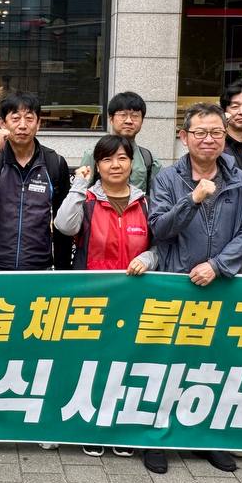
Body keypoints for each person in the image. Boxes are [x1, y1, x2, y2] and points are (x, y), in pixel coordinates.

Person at [148, 101, 242, 474]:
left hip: (218, 285)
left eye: (216, 133)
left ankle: (206, 438)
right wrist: (192, 200)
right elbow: (159, 228)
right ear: (184, 136)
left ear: (225, 137)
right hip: (176, 285)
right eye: (200, 132)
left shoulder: (239, 179)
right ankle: (156, 439)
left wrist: (217, 266)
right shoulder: (166, 177)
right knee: (167, 366)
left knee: (211, 367)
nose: (208, 139)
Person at [55, 133, 157, 460]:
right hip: (93, 298)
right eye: (107, 159)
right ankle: (92, 426)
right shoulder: (86, 199)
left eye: (122, 158)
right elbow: (63, 225)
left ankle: (122, 427)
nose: (115, 165)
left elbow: (160, 245)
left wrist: (149, 259)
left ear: (132, 163)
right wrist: (77, 187)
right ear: (97, 164)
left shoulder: (147, 202)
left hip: (135, 298)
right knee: (93, 363)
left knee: (129, 363)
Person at [0, 93, 72, 271]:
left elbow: (61, 220)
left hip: (39, 267)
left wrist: (63, 272)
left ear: (39, 123)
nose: (23, 125)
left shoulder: (54, 163)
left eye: (29, 119)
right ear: (3, 124)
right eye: (15, 118)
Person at [79, 92, 156, 192]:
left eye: (135, 116)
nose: (129, 121)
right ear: (111, 119)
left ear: (142, 121)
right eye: (123, 115)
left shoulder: (148, 158)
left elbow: (157, 197)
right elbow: (81, 193)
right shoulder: (93, 154)